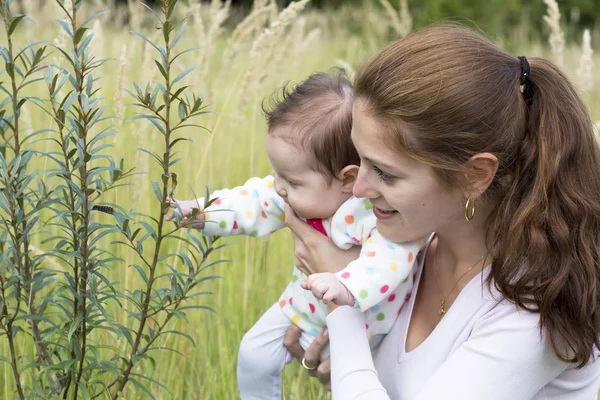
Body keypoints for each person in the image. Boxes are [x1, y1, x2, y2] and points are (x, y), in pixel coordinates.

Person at [282, 24, 600, 399]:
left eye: (385, 172)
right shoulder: (407, 245)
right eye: (359, 159)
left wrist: (342, 304)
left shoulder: (536, 312)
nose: (360, 189)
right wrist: (347, 368)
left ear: (474, 175)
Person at [166, 70, 424, 399]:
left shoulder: (374, 213)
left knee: (349, 384)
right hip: (299, 306)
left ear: (348, 179)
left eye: (293, 181)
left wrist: (344, 282)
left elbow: (390, 259)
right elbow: (250, 201)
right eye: (277, 173)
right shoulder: (297, 194)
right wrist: (198, 213)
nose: (279, 187)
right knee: (253, 353)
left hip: (366, 328)